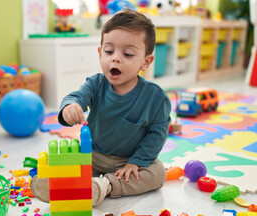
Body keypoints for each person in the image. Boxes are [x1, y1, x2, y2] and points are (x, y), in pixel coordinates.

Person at [30, 9, 171, 206]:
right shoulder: (96, 84)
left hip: (128, 161)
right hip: (93, 156)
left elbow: (157, 135)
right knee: (69, 159)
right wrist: (70, 106)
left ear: (146, 61)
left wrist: (136, 162)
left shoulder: (156, 98)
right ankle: (57, 182)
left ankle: (105, 186)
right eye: (109, 51)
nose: (116, 58)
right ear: (100, 53)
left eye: (128, 53)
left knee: (157, 174)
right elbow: (77, 96)